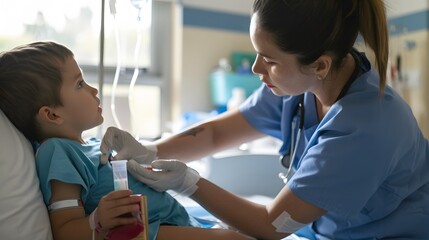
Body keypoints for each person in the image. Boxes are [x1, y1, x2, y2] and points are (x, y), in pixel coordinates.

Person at [100, 0, 429, 239]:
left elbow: (273, 225)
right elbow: (215, 135)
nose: (257, 69)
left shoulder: (367, 128)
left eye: (269, 60)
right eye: (257, 53)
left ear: (320, 66)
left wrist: (188, 182)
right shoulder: (297, 87)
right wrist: (149, 151)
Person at [0, 41, 253, 240]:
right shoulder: (58, 152)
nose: (93, 90)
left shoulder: (89, 146)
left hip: (169, 221)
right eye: (79, 84)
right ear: (52, 114)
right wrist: (96, 220)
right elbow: (65, 229)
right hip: (146, 232)